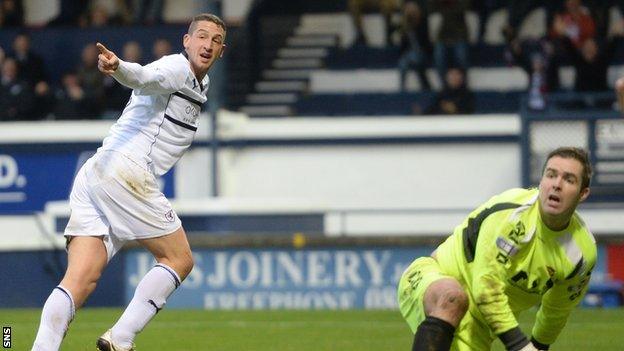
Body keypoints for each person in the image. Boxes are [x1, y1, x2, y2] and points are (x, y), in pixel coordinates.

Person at [31, 13, 226, 351]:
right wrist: (119, 66)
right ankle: (121, 337)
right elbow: (145, 76)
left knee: (80, 281)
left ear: (222, 50)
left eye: (216, 40)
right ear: (186, 41)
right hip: (127, 171)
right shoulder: (176, 68)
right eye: (202, 37)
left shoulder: (200, 84)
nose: (207, 45)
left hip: (98, 171)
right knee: (179, 260)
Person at [398, 146, 596, 351]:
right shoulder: (511, 214)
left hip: (480, 326)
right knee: (452, 297)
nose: (556, 185)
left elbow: (557, 309)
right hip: (432, 278)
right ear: (541, 181)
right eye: (551, 175)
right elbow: (486, 288)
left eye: (569, 179)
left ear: (583, 193)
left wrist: (539, 346)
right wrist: (520, 345)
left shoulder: (581, 254)